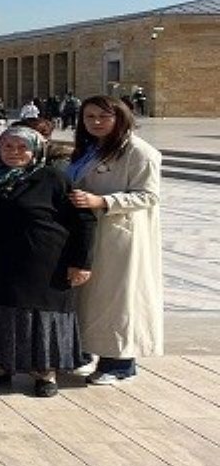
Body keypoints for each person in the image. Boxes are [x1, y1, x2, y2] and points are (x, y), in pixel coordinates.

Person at [0, 127, 96, 397]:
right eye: (8, 146)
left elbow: (84, 220)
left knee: (37, 314)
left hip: (40, 263)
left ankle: (44, 372)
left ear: (36, 151)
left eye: (22, 148)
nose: (15, 153)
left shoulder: (52, 178)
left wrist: (81, 262)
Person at [68, 95, 163, 385]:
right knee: (90, 298)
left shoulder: (138, 152)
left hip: (119, 237)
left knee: (117, 299)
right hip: (90, 233)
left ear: (119, 118)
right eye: (89, 117)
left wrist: (103, 200)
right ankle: (88, 351)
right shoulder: (91, 148)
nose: (96, 122)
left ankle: (120, 363)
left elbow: (148, 195)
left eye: (103, 117)